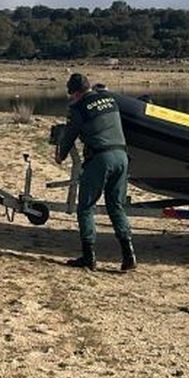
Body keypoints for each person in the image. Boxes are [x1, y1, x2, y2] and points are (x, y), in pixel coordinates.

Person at [54, 72, 135, 271]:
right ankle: (129, 255)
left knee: (86, 207)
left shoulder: (79, 108)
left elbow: (70, 135)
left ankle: (89, 256)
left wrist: (61, 155)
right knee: (116, 206)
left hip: (100, 159)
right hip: (122, 156)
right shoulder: (110, 99)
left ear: (75, 93)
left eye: (71, 94)